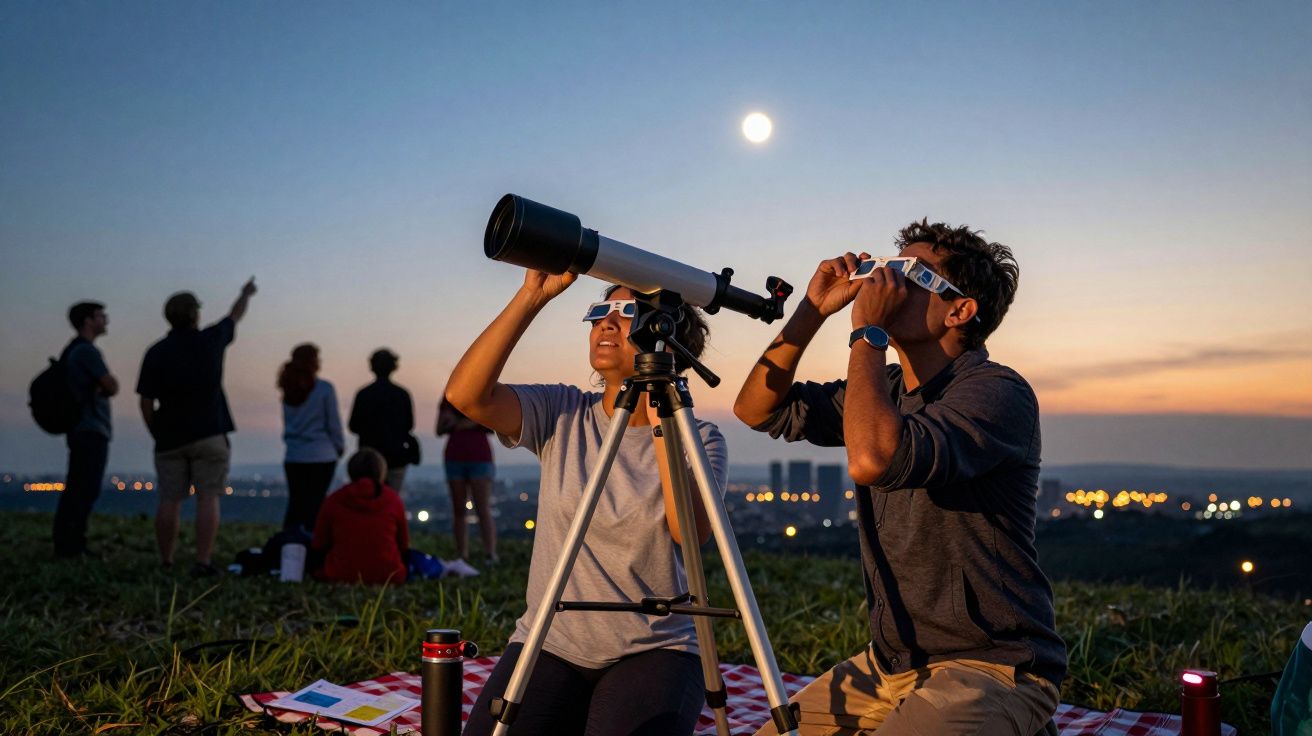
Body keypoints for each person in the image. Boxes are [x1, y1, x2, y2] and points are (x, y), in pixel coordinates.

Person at [734, 222, 1067, 736]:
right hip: (888, 666)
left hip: (993, 667)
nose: (885, 282)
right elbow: (755, 408)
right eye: (889, 267)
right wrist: (812, 311)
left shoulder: (997, 393)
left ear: (959, 310)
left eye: (910, 273)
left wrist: (867, 333)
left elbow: (874, 460)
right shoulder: (883, 388)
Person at [448, 269, 726, 736]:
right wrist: (531, 296)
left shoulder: (699, 438)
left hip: (656, 648)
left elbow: (689, 535)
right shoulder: (563, 412)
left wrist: (660, 404)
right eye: (601, 313)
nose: (607, 324)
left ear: (667, 338)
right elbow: (466, 395)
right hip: (550, 640)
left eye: (627, 314)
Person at [137, 278, 256, 577]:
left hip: (170, 438)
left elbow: (146, 402)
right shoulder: (211, 341)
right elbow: (234, 315)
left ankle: (166, 561)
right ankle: (202, 562)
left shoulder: (156, 352)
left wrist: (156, 432)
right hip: (210, 432)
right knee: (208, 497)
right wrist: (245, 293)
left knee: (169, 499)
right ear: (195, 315)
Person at [53, 301, 119, 559]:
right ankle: (71, 546)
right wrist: (105, 387)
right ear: (89, 321)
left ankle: (69, 543)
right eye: (102, 316)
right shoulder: (86, 352)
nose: (106, 320)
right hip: (90, 428)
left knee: (78, 487)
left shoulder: (72, 351)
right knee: (84, 488)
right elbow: (112, 385)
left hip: (80, 428)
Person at [311, 448, 409, 585]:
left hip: (339, 574)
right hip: (389, 575)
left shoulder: (334, 500)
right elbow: (403, 544)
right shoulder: (393, 500)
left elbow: (319, 543)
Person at [279, 343, 345, 534]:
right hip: (321, 455)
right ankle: (314, 546)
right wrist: (339, 446)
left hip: (294, 456)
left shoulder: (288, 390)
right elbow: (333, 422)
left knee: (296, 504)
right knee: (316, 506)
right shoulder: (324, 389)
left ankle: (288, 547)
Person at [436, 397, 497, 567]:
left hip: (475, 457)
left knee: (481, 508)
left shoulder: (479, 395)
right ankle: (465, 553)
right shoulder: (449, 399)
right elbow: (439, 428)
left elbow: (492, 424)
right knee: (461, 509)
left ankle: (488, 552)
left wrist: (460, 423)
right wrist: (472, 421)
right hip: (461, 456)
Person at [348, 349, 417, 492]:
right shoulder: (402, 394)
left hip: (368, 461)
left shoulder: (363, 394)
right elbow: (409, 425)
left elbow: (353, 426)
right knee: (391, 501)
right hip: (396, 457)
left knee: (368, 501)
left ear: (372, 367)